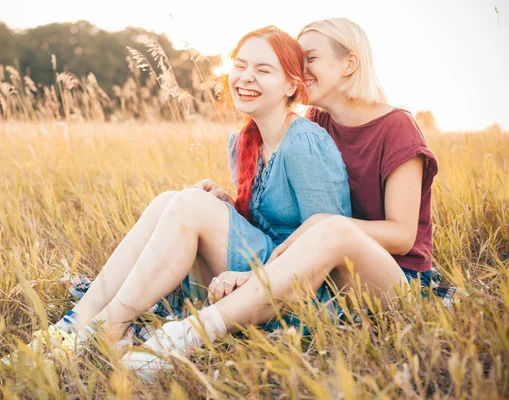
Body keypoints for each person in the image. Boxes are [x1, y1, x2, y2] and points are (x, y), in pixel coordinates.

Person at [120, 18, 440, 380]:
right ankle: (110, 321)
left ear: (349, 64)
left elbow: (402, 235)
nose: (299, 70)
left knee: (332, 229)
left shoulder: (396, 126)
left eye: (310, 59)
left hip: (392, 279)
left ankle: (189, 334)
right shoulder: (315, 122)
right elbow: (291, 215)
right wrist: (231, 204)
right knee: (192, 205)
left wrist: (322, 227)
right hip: (325, 267)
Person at [20, 25, 351, 367]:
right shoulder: (243, 143)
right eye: (239, 65)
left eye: (263, 70)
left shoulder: (304, 141)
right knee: (169, 200)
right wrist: (228, 203)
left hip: (300, 290)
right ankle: (76, 322)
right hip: (251, 270)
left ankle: (110, 328)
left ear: (292, 84)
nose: (245, 77)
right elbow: (266, 220)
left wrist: (242, 257)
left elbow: (325, 238)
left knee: (192, 206)